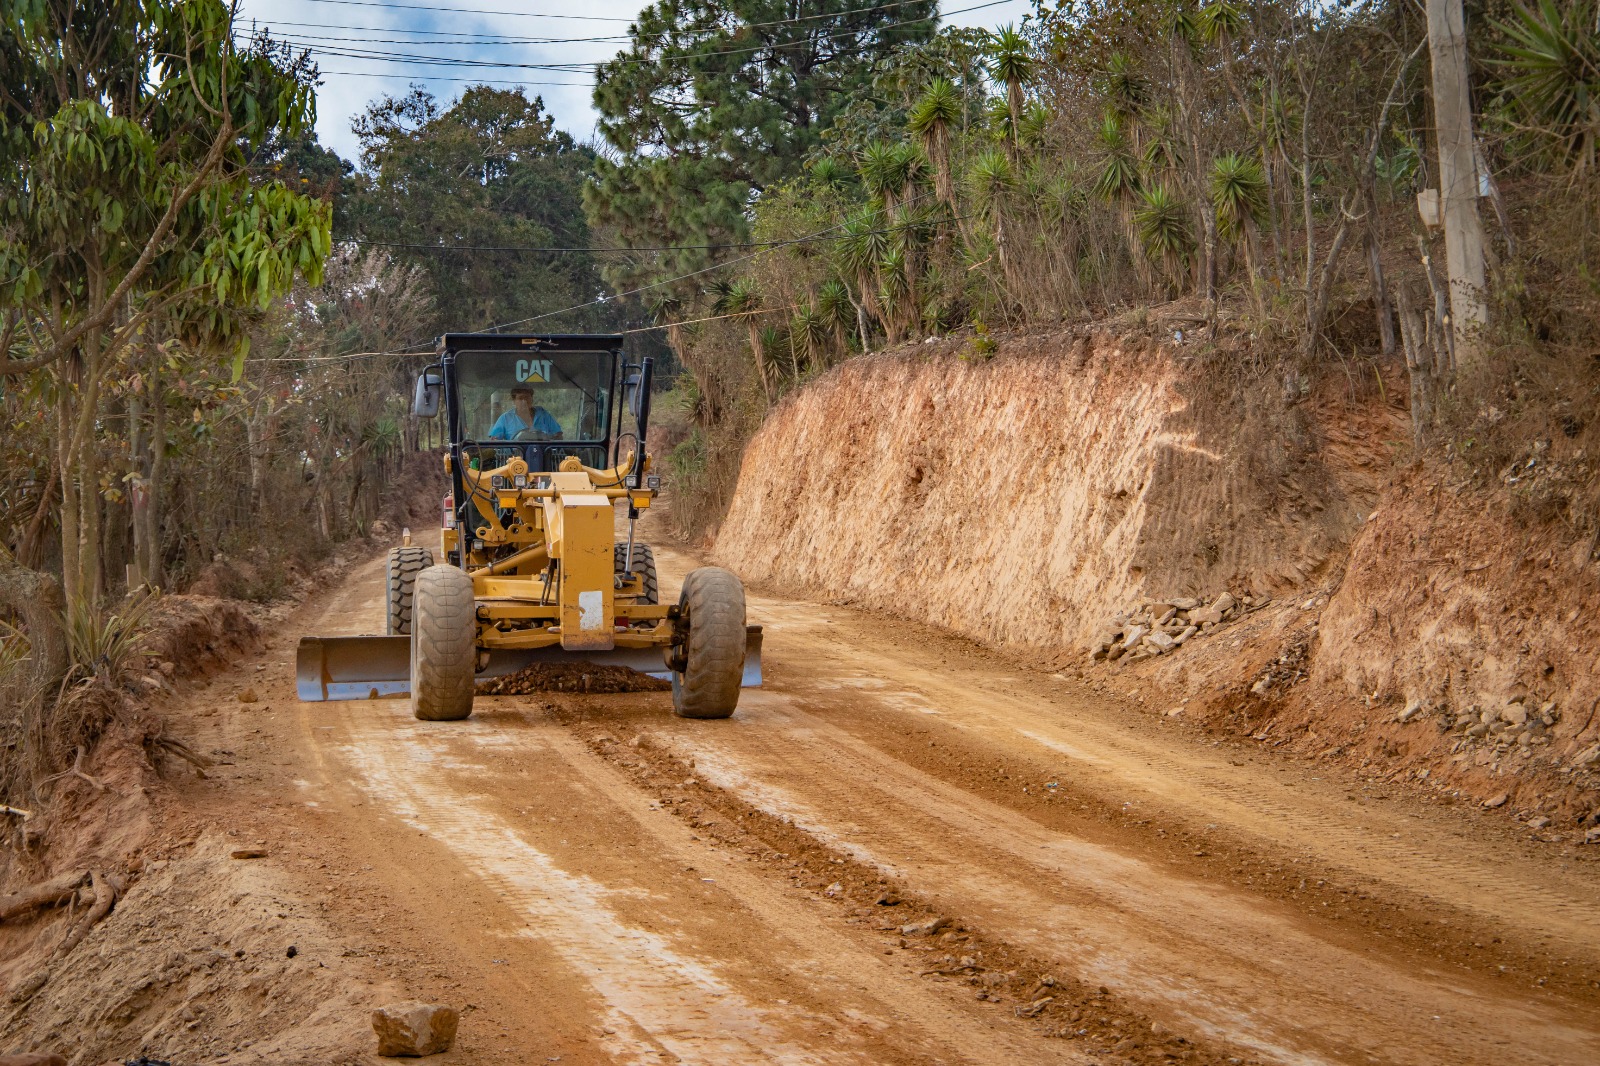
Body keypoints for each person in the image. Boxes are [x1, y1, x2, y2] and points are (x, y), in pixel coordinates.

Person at [488, 385, 561, 440]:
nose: (524, 401)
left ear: (532, 398)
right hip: (514, 459)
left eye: (527, 397)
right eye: (520, 398)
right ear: (514, 400)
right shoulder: (505, 419)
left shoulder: (543, 415)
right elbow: (494, 441)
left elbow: (558, 436)